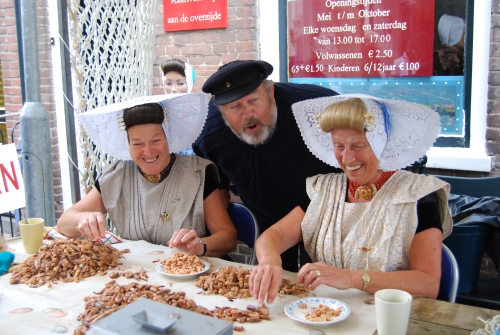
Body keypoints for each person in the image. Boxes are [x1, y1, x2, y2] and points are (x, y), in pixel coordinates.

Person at [249, 94, 453, 303]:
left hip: (392, 318)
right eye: (338, 146)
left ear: (380, 142)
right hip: (325, 314)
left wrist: (351, 278)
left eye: (358, 146)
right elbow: (274, 235)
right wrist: (269, 259)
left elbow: (428, 284)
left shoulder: (417, 195)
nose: (347, 158)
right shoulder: (324, 190)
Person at [192, 60, 342, 272]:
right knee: (276, 282)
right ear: (221, 111)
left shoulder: (317, 106)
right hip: (267, 216)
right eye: (234, 107)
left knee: (320, 282)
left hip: (323, 212)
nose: (247, 114)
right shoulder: (208, 132)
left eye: (254, 100)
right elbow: (217, 185)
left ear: (270, 91)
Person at [57, 94, 237, 257]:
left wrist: (200, 246)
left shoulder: (197, 174)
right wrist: (83, 219)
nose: (148, 151)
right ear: (127, 144)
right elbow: (64, 223)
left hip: (189, 276)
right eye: (137, 143)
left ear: (169, 137)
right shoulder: (117, 176)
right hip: (137, 278)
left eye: (156, 140)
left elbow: (228, 237)